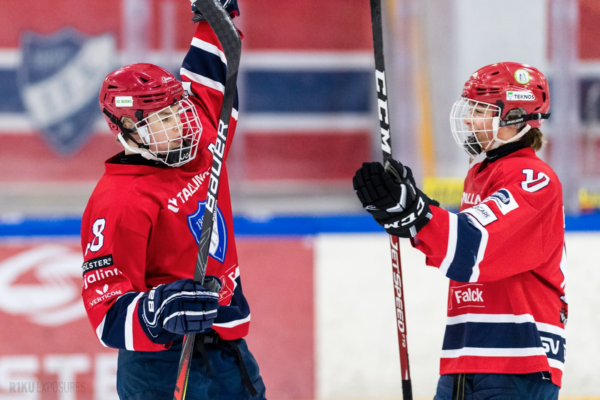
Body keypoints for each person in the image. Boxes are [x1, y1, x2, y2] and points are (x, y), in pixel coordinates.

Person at [80, 1, 266, 399]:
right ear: (128, 129)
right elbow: (107, 311)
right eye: (162, 120)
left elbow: (213, 74)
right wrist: (157, 310)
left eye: (177, 109)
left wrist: (214, 14)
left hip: (229, 354)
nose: (180, 124)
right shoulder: (118, 201)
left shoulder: (199, 142)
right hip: (160, 368)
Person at [353, 62, 566, 399]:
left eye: (480, 109)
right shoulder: (480, 173)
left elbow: (475, 246)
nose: (468, 119)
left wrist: (416, 212)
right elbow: (460, 239)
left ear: (512, 116)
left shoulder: (534, 179)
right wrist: (408, 215)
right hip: (464, 356)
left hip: (518, 361)